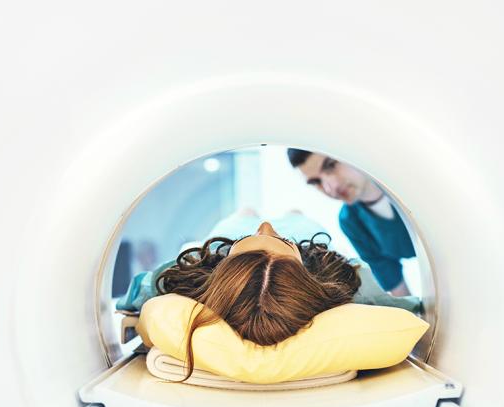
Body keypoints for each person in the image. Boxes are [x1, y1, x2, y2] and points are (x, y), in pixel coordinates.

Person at [117, 218, 421, 380]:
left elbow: (133, 298)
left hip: (232, 243)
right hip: (309, 245)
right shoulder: (349, 282)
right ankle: (289, 231)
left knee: (245, 216)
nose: (267, 224)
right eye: (278, 239)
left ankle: (242, 234)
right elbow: (406, 309)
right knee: (298, 217)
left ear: (220, 271)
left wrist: (238, 245)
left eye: (277, 237)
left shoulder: (183, 275)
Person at [287, 148, 416, 296]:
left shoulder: (410, 180)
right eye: (317, 182)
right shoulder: (350, 221)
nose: (331, 187)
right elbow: (395, 284)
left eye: (330, 165)